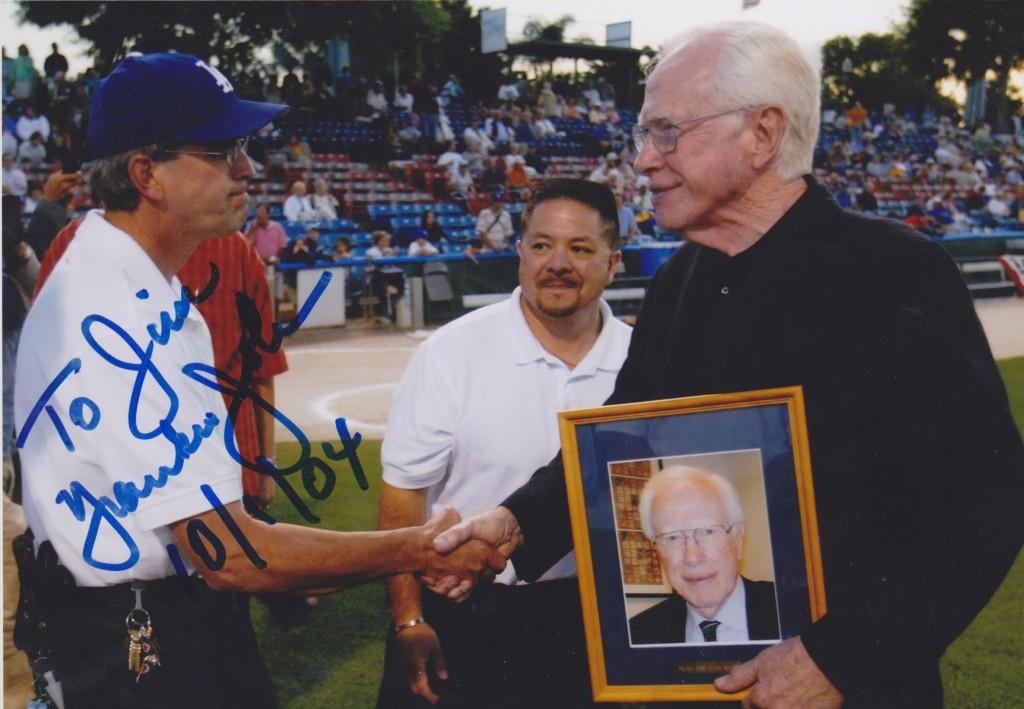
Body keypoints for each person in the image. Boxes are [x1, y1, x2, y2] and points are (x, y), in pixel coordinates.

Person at [431, 22, 1024, 709]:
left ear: (763, 134)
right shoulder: (680, 280)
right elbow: (620, 441)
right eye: (643, 137)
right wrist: (515, 521)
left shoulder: (893, 273)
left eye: (666, 132)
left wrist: (843, 657)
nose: (644, 161)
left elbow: (985, 495)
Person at [12, 52, 503, 709]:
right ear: (144, 174)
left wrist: (277, 569)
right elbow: (228, 554)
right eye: (221, 151)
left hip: (153, 620)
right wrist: (418, 546)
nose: (247, 168)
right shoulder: (112, 309)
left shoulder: (134, 280)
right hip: (138, 646)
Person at [377, 179, 632, 709]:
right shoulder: (452, 353)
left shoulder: (643, 361)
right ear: (519, 253)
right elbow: (403, 497)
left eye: (580, 249)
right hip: (463, 608)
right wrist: (408, 618)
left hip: (589, 614)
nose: (557, 263)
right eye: (541, 245)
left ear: (614, 263)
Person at [629, 467, 779, 645]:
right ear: (656, 549)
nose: (692, 557)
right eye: (672, 537)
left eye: (708, 532)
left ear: (738, 538)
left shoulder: (795, 610)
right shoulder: (637, 634)